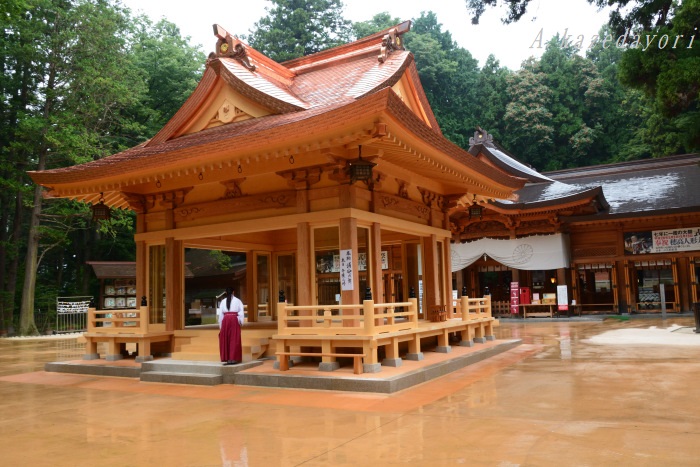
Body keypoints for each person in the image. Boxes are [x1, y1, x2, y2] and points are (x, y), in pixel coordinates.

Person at [217, 287, 244, 365]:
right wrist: (240, 321)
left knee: (226, 339)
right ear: (233, 292)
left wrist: (221, 326)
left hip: (225, 320)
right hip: (234, 319)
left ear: (226, 293)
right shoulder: (238, 301)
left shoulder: (222, 301)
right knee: (234, 339)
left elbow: (221, 315)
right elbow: (241, 312)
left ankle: (227, 358)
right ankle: (233, 358)